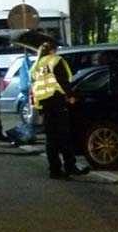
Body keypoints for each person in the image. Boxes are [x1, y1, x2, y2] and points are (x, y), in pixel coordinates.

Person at [30, 41, 90, 179]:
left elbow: (34, 86)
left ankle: (55, 169)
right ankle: (70, 166)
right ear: (53, 50)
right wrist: (71, 96)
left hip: (45, 104)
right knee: (64, 136)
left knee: (51, 139)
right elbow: (63, 82)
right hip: (57, 101)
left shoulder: (36, 65)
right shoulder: (55, 61)